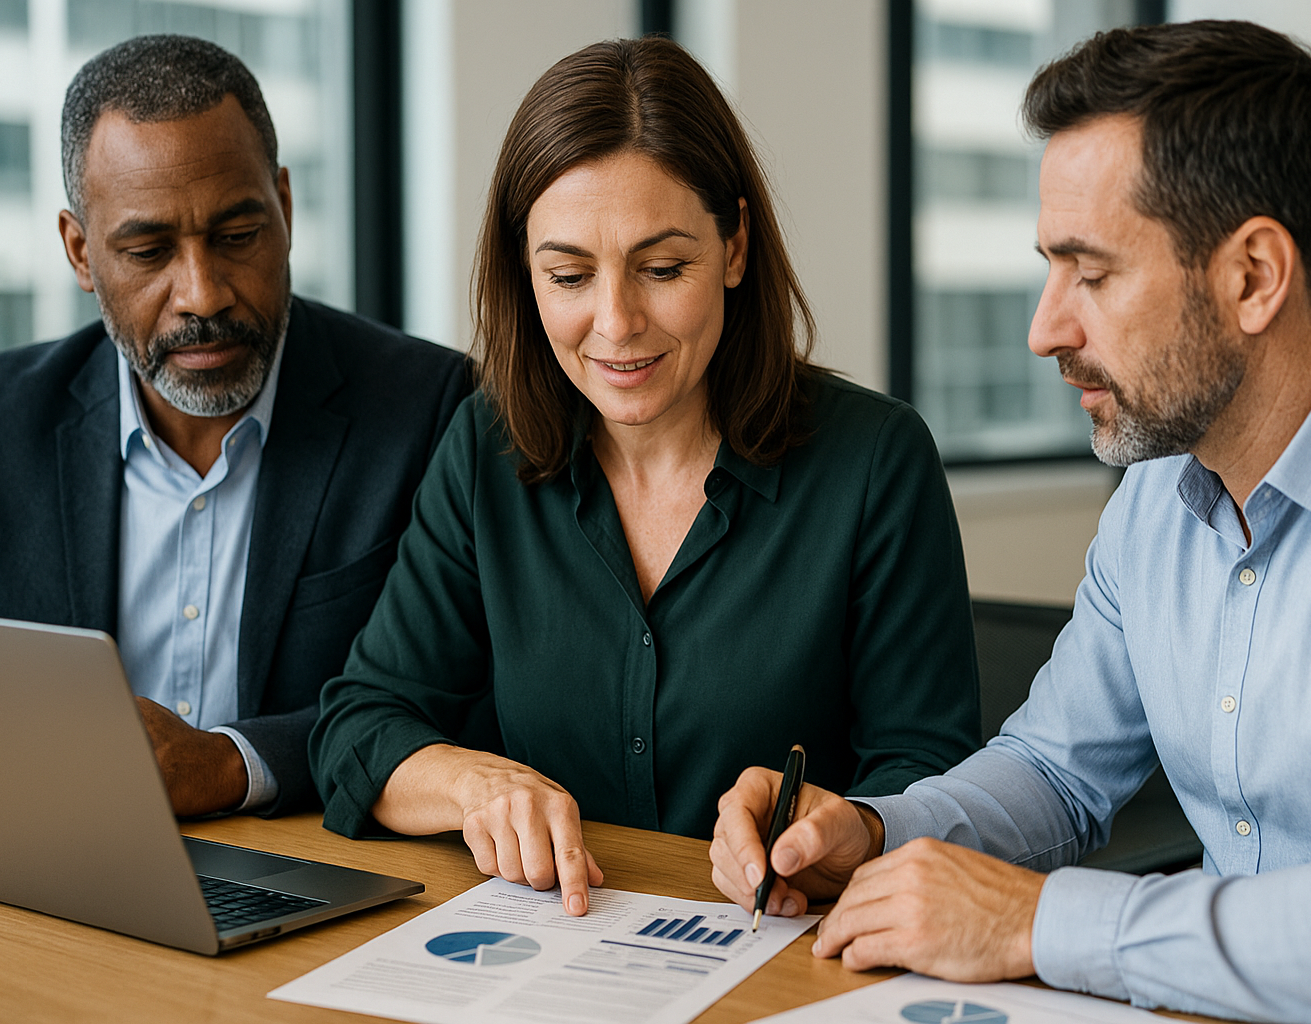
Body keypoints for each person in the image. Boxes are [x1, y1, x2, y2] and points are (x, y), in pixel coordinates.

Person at [709, 19, 1311, 1024]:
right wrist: (874, 831)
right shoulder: (1163, 488)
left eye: (1092, 274)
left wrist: (1034, 923)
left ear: (1253, 276)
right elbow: (1056, 770)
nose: (1043, 329)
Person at [310, 37, 980, 918]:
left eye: (663, 270)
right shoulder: (484, 448)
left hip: (787, 962)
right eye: (568, 275)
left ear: (734, 248)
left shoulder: (876, 462)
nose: (616, 324)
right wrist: (475, 787)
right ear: (526, 275)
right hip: (550, 961)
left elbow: (931, 781)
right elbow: (359, 726)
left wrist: (842, 828)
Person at [0, 35, 471, 818]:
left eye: (237, 236)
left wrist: (226, 765)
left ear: (284, 207)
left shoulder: (429, 407)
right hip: (61, 864)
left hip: (319, 872)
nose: (203, 294)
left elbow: (459, 702)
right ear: (81, 253)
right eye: (148, 250)